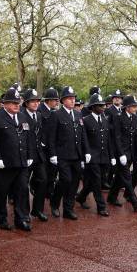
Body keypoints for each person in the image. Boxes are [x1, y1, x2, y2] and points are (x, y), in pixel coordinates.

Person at [0, 87, 34, 231]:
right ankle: (2, 219)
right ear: (5, 104)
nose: (16, 105)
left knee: (21, 191)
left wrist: (30, 155)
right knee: (2, 193)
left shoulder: (22, 116)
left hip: (21, 162)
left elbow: (28, 137)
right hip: (5, 164)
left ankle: (20, 219)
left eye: (18, 102)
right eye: (13, 102)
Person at [47, 86, 90, 220]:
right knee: (65, 180)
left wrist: (86, 151)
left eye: (73, 98)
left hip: (76, 155)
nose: (72, 101)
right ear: (63, 100)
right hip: (62, 155)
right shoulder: (56, 114)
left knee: (75, 182)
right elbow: (51, 137)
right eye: (69, 98)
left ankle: (68, 209)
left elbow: (83, 135)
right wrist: (53, 154)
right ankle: (54, 202)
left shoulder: (78, 114)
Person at [76, 93, 112, 216]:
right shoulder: (85, 120)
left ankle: (81, 197)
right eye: (100, 106)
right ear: (93, 107)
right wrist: (85, 154)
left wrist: (111, 156)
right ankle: (101, 207)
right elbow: (83, 139)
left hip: (103, 156)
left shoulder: (104, 119)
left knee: (94, 181)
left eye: (103, 105)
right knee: (97, 182)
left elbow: (108, 140)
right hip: (92, 156)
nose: (103, 107)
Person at [107, 95, 137, 212]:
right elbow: (116, 137)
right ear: (127, 107)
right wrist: (121, 154)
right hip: (122, 153)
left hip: (131, 152)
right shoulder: (119, 117)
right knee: (127, 177)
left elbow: (136, 137)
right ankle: (134, 202)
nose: (135, 108)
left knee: (119, 177)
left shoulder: (134, 117)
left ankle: (111, 197)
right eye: (133, 106)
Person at [22, 88, 48, 221]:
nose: (36, 103)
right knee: (23, 185)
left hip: (38, 155)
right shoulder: (21, 116)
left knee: (43, 181)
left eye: (37, 101)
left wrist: (42, 142)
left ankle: (37, 210)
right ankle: (25, 213)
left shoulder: (38, 115)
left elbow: (41, 131)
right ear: (26, 103)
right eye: (32, 101)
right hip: (26, 156)